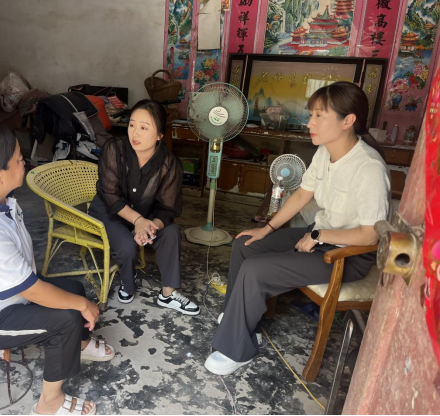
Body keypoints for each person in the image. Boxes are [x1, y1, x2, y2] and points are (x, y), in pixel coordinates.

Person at [204, 82, 391, 376]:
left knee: (255, 269)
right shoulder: (325, 152)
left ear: (348, 121)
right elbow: (303, 194)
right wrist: (267, 228)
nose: (309, 123)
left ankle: (235, 348)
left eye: (319, 116)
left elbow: (370, 235)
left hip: (347, 255)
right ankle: (238, 322)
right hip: (318, 237)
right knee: (246, 244)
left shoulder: (368, 168)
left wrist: (319, 236)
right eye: (311, 114)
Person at [0, 122, 115, 416]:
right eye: (19, 160)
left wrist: (78, 301)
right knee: (66, 319)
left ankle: (80, 344)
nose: (25, 163)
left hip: (6, 297)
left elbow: (27, 281)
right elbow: (32, 290)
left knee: (72, 289)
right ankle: (49, 403)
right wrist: (83, 306)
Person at [89, 100, 200, 316]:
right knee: (127, 246)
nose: (135, 133)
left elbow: (167, 208)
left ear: (159, 135)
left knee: (171, 233)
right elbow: (109, 194)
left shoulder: (169, 164)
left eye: (144, 127)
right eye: (132, 125)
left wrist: (150, 227)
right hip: (110, 211)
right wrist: (137, 221)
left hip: (147, 215)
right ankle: (128, 281)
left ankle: (168, 293)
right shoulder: (114, 148)